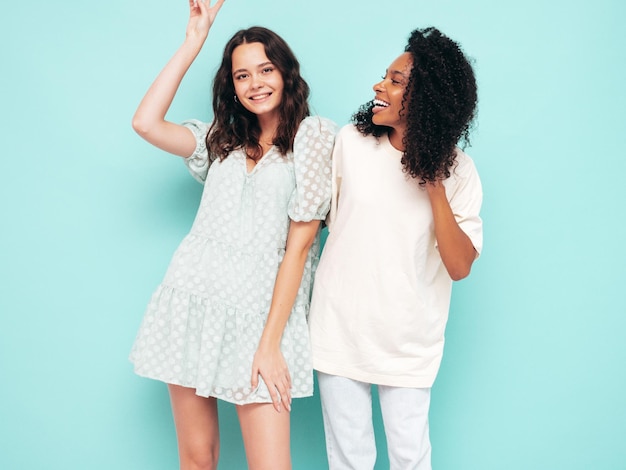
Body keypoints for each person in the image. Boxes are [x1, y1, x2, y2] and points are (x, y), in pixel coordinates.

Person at [128, 1, 336, 469]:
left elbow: (300, 247)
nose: (256, 83)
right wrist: (193, 42)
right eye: (242, 75)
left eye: (265, 69)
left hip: (262, 318)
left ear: (286, 73)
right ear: (232, 86)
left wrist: (269, 344)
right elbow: (145, 123)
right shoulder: (219, 139)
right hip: (191, 301)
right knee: (198, 460)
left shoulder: (314, 137)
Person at [308, 26, 483, 470]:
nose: (378, 86)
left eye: (396, 80)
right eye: (384, 76)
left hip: (408, 342)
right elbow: (323, 223)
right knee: (349, 459)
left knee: (410, 458)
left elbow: (460, 265)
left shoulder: (459, 172)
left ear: (428, 99)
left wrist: (435, 185)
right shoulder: (351, 142)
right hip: (339, 330)